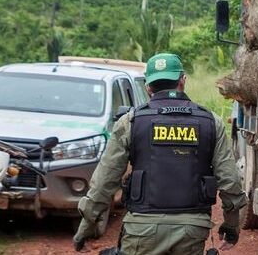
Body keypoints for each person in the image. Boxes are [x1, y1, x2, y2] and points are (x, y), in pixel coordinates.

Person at [73, 53, 247, 254]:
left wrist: (85, 229)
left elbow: (104, 182)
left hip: (141, 230)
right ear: (183, 80)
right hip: (191, 230)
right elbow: (230, 182)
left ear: (148, 87)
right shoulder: (211, 122)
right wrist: (231, 227)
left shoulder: (130, 122)